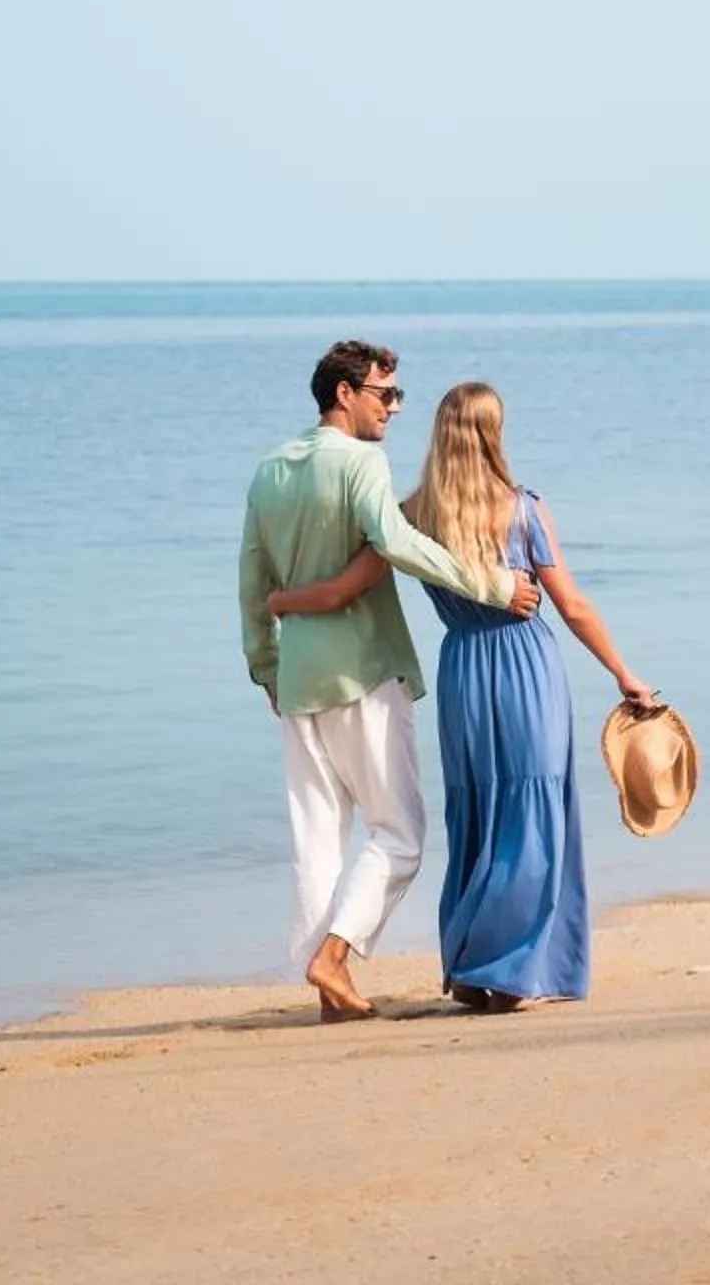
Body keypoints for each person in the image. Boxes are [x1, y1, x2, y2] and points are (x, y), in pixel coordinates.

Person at [270, 381, 649, 1012]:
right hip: (525, 666)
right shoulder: (523, 509)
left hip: (464, 671)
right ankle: (516, 972)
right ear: (493, 435)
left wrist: (279, 601)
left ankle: (474, 970)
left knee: (478, 814)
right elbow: (573, 606)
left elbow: (341, 591)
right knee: (531, 813)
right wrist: (624, 674)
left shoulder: (413, 514)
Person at [238, 341, 539, 1023]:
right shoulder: (360, 461)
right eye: (385, 394)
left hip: (297, 680)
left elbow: (252, 579)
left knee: (315, 839)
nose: (395, 407)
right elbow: (398, 544)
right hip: (363, 670)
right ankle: (335, 956)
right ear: (344, 394)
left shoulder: (269, 470)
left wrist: (265, 664)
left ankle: (330, 992)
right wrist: (494, 586)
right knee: (400, 831)